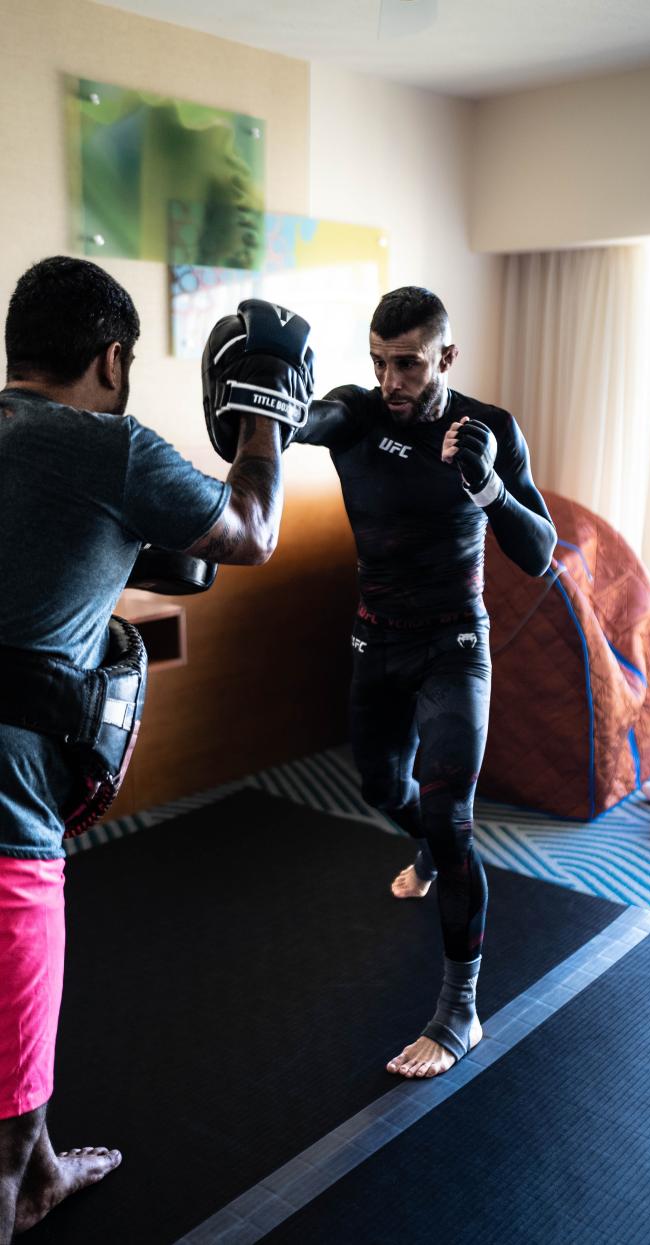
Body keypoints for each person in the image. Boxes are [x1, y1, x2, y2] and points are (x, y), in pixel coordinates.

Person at [0, 256, 309, 1240]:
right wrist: (264, 413)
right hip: (6, 833)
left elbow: (159, 564)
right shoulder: (110, 448)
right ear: (113, 357)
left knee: (16, 1075)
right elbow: (252, 533)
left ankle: (45, 1171)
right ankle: (23, 1177)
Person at [292, 287, 557, 1079]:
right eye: (377, 361)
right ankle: (428, 844)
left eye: (406, 363)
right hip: (376, 636)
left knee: (451, 817)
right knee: (381, 784)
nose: (390, 380)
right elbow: (298, 423)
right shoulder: (355, 413)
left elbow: (540, 552)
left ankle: (458, 1010)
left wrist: (490, 489)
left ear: (445, 356)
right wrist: (255, 405)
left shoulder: (488, 428)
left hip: (454, 644)